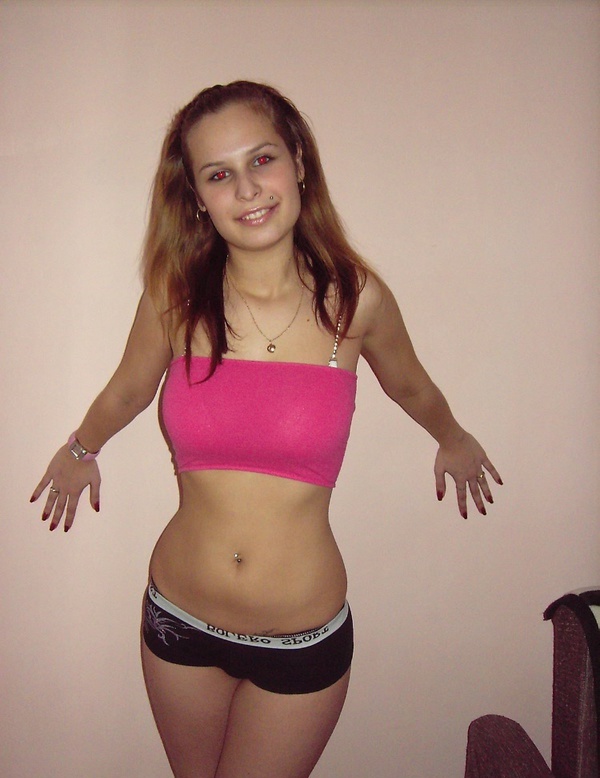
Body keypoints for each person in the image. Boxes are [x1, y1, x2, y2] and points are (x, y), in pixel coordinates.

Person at [30, 81, 502, 778]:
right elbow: (129, 387)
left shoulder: (355, 300)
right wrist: (80, 447)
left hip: (299, 639)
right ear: (197, 196)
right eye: (218, 174)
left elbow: (408, 383)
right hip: (179, 621)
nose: (247, 188)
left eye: (262, 159)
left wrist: (452, 435)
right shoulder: (174, 296)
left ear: (299, 162)